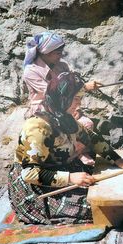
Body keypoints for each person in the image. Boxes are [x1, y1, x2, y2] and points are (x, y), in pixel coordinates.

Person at [8, 70, 123, 224]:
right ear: (63, 98)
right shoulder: (37, 127)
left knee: (105, 188)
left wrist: (117, 160)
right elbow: (30, 173)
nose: (79, 104)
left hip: (62, 167)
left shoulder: (63, 117)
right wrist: (70, 178)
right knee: (94, 206)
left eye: (80, 98)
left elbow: (91, 138)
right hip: (38, 183)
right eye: (76, 99)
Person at [22, 31, 99, 166]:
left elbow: (70, 91)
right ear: (46, 52)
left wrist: (75, 108)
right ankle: (69, 157)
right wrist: (85, 87)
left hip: (65, 106)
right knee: (61, 132)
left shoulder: (62, 66)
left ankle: (79, 152)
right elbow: (53, 93)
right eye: (58, 53)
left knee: (86, 124)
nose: (61, 56)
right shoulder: (31, 71)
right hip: (44, 109)